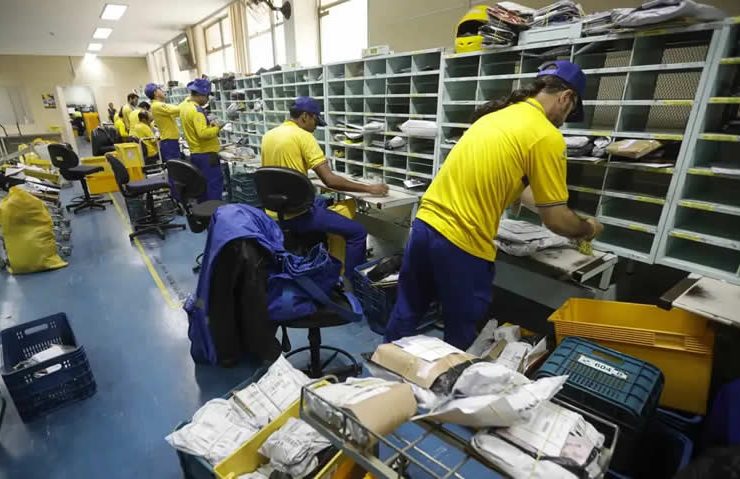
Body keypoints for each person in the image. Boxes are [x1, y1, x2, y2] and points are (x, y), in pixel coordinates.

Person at [384, 61, 604, 350]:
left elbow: (516, 187)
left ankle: (385, 369)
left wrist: (549, 206)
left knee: (408, 310)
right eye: (570, 112)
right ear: (566, 98)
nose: (565, 120)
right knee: (461, 331)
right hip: (462, 242)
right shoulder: (546, 135)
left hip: (425, 227)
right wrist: (586, 228)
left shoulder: (495, 117)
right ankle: (451, 377)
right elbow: (556, 222)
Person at [260, 96, 389, 275]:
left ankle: (324, 253)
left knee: (322, 200)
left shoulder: (269, 135)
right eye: (315, 121)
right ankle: (352, 282)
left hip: (274, 211)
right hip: (298, 215)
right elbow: (330, 181)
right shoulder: (303, 136)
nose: (315, 127)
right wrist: (370, 188)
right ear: (305, 116)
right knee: (358, 232)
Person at [180, 78, 224, 201]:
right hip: (207, 155)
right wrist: (217, 128)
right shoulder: (197, 111)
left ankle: (204, 211)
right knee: (213, 186)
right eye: (207, 95)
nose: (207, 99)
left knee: (202, 187)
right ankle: (214, 211)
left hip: (196, 154)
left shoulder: (185, 107)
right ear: (200, 95)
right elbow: (203, 133)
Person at [146, 83, 181, 162]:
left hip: (170, 140)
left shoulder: (159, 105)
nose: (163, 91)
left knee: (176, 165)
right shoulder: (157, 105)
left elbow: (176, 113)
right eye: (160, 89)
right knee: (175, 166)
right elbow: (177, 109)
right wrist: (187, 102)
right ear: (155, 93)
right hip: (169, 141)